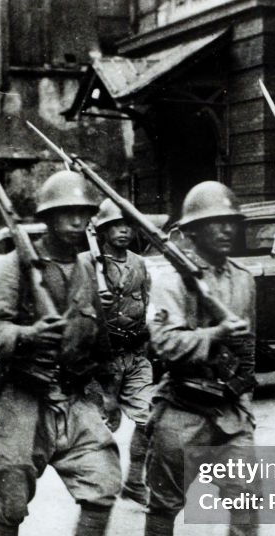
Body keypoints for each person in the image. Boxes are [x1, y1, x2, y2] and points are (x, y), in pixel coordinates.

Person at [0, 170, 124, 536]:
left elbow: (98, 332)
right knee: (10, 500)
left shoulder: (86, 266)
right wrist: (28, 335)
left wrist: (109, 386)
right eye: (67, 212)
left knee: (103, 483)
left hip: (75, 394)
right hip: (24, 394)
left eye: (84, 213)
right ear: (47, 217)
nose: (77, 220)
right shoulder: (12, 266)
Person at [145, 181, 275, 536]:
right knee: (165, 505)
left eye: (230, 223)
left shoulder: (242, 280)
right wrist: (213, 337)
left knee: (247, 500)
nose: (225, 231)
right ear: (193, 231)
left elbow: (249, 348)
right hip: (183, 407)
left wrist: (244, 397)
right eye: (214, 225)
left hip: (228, 412)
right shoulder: (170, 281)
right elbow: (164, 344)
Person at [77, 199, 154, 506]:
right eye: (116, 226)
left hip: (134, 353)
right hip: (101, 358)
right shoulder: (86, 263)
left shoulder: (139, 263)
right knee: (101, 428)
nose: (123, 231)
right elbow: (75, 309)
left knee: (150, 419)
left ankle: (135, 481)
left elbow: (145, 304)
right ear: (104, 230)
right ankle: (97, 489)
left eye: (127, 226)